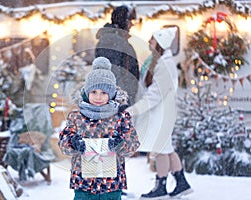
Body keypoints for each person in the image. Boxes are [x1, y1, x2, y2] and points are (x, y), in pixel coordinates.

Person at [58, 57, 140, 200]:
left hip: (111, 183)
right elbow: (64, 142)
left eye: (104, 92)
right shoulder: (77, 117)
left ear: (112, 94)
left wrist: (120, 144)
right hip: (83, 182)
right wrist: (73, 142)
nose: (98, 97)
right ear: (86, 92)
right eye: (94, 92)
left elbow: (133, 142)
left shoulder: (120, 117)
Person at [126, 27, 193, 199]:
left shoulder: (165, 64)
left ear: (161, 43)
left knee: (162, 148)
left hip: (161, 113)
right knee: (166, 148)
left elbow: (155, 94)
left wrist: (133, 110)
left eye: (152, 39)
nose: (149, 41)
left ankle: (161, 185)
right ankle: (181, 182)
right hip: (160, 113)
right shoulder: (156, 60)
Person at [95, 5, 139, 106]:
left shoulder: (118, 40)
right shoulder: (111, 41)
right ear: (123, 21)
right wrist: (122, 99)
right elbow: (113, 73)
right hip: (118, 103)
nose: (132, 25)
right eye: (130, 21)